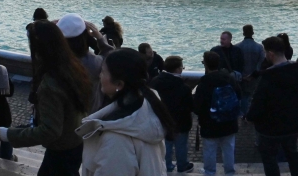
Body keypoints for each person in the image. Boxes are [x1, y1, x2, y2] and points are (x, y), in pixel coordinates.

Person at [0, 20, 91, 175]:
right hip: (75, 142)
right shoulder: (72, 67)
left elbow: (49, 131)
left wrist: (5, 134)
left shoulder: (51, 84)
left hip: (60, 149)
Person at [76, 48, 174, 176]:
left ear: (119, 84)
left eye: (103, 72)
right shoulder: (149, 109)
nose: (100, 75)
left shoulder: (116, 138)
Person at [247, 35, 298, 176]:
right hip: (294, 125)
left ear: (270, 54)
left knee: (269, 157)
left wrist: (250, 117)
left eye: (265, 52)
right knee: (292, 153)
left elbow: (257, 105)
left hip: (270, 129)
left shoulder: (267, 77)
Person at [193, 51, 240, 176]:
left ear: (206, 65)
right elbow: (238, 96)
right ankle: (229, 172)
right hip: (229, 121)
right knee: (229, 149)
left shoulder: (204, 84)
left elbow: (197, 107)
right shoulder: (229, 79)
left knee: (209, 150)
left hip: (209, 123)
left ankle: (210, 172)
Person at [58, 13, 114, 113]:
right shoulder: (93, 63)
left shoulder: (54, 59)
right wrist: (100, 38)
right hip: (89, 115)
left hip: (63, 115)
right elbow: (111, 58)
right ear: (85, 36)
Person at [150, 56, 195, 174]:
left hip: (161, 119)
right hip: (180, 121)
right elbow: (190, 106)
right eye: (181, 67)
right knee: (181, 145)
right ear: (177, 69)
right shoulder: (183, 87)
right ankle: (182, 165)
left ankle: (166, 166)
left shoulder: (155, 82)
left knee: (166, 145)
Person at [236, 24, 265, 117]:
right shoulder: (259, 47)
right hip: (254, 77)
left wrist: (242, 76)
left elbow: (236, 63)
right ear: (253, 32)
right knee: (253, 96)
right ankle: (252, 115)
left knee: (243, 96)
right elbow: (261, 63)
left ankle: (244, 115)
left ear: (243, 33)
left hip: (242, 76)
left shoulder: (238, 47)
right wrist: (253, 75)